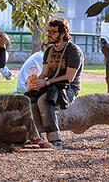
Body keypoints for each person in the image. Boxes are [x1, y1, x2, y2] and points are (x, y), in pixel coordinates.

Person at [28, 18, 84, 149]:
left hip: (68, 88)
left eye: (53, 32)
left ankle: (55, 140)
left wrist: (46, 82)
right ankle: (36, 136)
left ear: (63, 33)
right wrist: (35, 82)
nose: (49, 34)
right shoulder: (49, 50)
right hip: (50, 85)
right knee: (29, 100)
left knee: (44, 101)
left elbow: (69, 78)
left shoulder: (73, 51)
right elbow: (44, 73)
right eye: (48, 31)